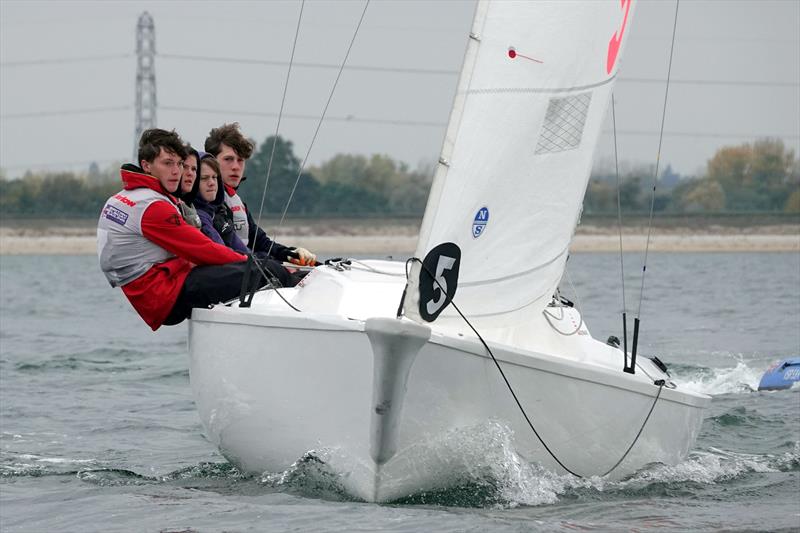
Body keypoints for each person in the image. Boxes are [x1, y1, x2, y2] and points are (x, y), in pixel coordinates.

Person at [97, 128, 293, 331]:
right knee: (266, 271)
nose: (176, 171)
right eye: (167, 163)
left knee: (258, 266)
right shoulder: (152, 206)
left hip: (160, 288)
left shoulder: (126, 196)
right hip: (167, 297)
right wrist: (254, 264)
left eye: (179, 164)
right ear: (146, 166)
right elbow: (204, 250)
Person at [204, 122, 316, 266]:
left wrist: (290, 253)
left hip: (248, 267)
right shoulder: (208, 202)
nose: (235, 167)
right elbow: (230, 249)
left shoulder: (237, 202)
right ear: (211, 162)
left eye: (240, 160)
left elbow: (260, 241)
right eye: (228, 159)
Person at [190, 152, 249, 254]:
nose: (212, 183)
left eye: (214, 177)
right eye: (204, 178)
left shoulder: (219, 212)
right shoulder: (199, 216)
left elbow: (242, 249)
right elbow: (223, 253)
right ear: (193, 181)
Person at [175, 145, 201, 228]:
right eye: (185, 167)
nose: (190, 173)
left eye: (194, 169)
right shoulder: (167, 204)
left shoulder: (192, 207)